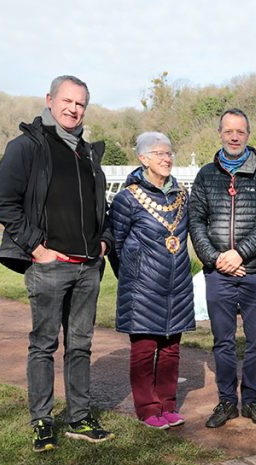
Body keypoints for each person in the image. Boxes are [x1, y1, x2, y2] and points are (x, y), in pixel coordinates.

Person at [0, 75, 114, 452]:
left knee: (80, 345)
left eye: (80, 104)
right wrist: (38, 249)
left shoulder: (88, 153)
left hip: (87, 265)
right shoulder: (27, 147)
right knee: (43, 345)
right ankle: (42, 420)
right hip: (49, 265)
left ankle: (79, 415)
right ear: (50, 100)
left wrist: (105, 240)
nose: (73, 109)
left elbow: (99, 205)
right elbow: (4, 204)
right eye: (67, 101)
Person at [188, 108, 256, 429]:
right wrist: (216, 259)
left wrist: (240, 254)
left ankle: (253, 400)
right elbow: (195, 221)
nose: (234, 136)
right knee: (223, 341)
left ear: (248, 135)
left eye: (240, 131)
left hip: (254, 272)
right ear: (220, 134)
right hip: (218, 275)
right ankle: (227, 400)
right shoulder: (205, 175)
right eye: (228, 131)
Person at [110, 132, 194, 429]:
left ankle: (167, 405)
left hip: (178, 284)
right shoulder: (127, 198)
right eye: (159, 153)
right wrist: (134, 276)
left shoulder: (181, 196)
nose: (166, 158)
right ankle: (147, 408)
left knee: (171, 348)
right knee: (145, 348)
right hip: (142, 287)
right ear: (143, 159)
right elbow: (116, 245)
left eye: (169, 153)